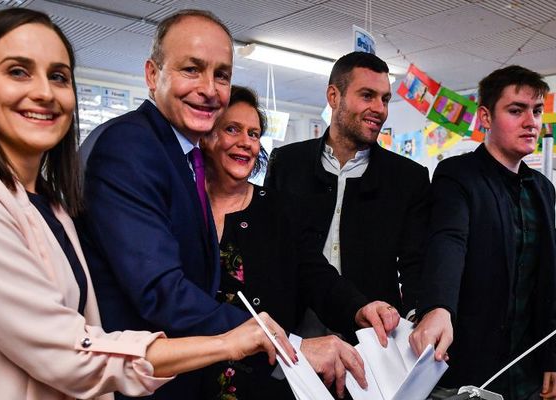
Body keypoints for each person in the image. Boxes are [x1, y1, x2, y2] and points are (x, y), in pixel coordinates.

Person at [0, 8, 293, 400]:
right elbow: (68, 351)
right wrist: (232, 342)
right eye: (18, 71)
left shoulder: (48, 204)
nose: (44, 92)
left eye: (59, 76)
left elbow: (83, 329)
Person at [77, 10, 396, 400]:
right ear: (151, 74)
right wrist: (290, 346)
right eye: (192, 69)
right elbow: (160, 291)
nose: (210, 88)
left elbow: (311, 271)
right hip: (144, 381)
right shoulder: (131, 148)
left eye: (222, 75)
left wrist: (356, 308)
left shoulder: (184, 161)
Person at [199, 85, 402, 399]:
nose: (245, 142)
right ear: (206, 136)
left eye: (254, 134)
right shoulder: (181, 208)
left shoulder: (278, 210)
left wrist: (359, 307)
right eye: (232, 129)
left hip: (264, 381)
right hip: (191, 376)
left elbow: (315, 273)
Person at [409, 65, 556, 400]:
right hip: (472, 368)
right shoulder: (458, 175)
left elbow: (547, 279)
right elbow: (449, 240)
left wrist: (552, 356)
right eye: (516, 110)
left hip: (528, 368)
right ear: (486, 117)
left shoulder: (543, 189)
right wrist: (438, 307)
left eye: (536, 111)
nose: (530, 121)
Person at [264, 51, 430, 336]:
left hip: (372, 329)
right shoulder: (287, 163)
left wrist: (418, 316)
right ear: (333, 96)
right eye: (367, 95)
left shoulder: (408, 178)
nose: (380, 108)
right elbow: (269, 243)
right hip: (293, 325)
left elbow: (416, 262)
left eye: (385, 99)